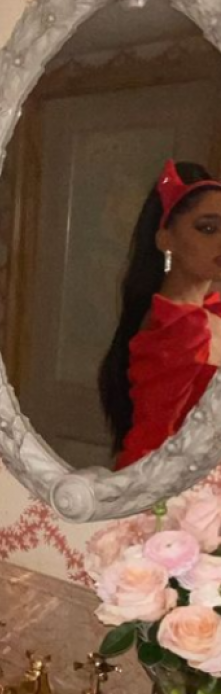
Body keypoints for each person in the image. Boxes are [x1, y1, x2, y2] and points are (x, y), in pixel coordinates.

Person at [99, 159, 221, 470]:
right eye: (208, 229)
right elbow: (150, 445)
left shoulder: (209, 312)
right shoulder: (178, 328)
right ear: (165, 239)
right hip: (187, 493)